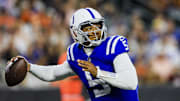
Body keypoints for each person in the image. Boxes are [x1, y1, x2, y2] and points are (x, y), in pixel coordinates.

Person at [10, 8, 139, 101]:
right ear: (76, 33)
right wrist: (30, 67)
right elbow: (53, 73)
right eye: (88, 28)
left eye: (97, 26)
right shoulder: (76, 53)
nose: (95, 31)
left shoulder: (113, 46)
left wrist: (99, 73)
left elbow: (131, 82)